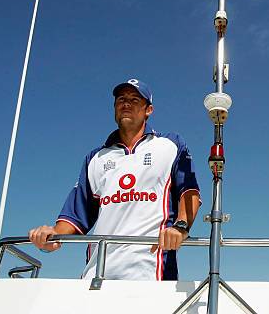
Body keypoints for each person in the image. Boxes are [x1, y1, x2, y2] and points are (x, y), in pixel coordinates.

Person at [29, 78, 201, 280]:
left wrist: (180, 227)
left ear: (149, 110)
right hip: (97, 273)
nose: (126, 103)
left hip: (151, 272)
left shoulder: (169, 145)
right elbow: (76, 216)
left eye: (135, 99)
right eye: (121, 99)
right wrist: (51, 235)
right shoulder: (96, 157)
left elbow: (189, 192)